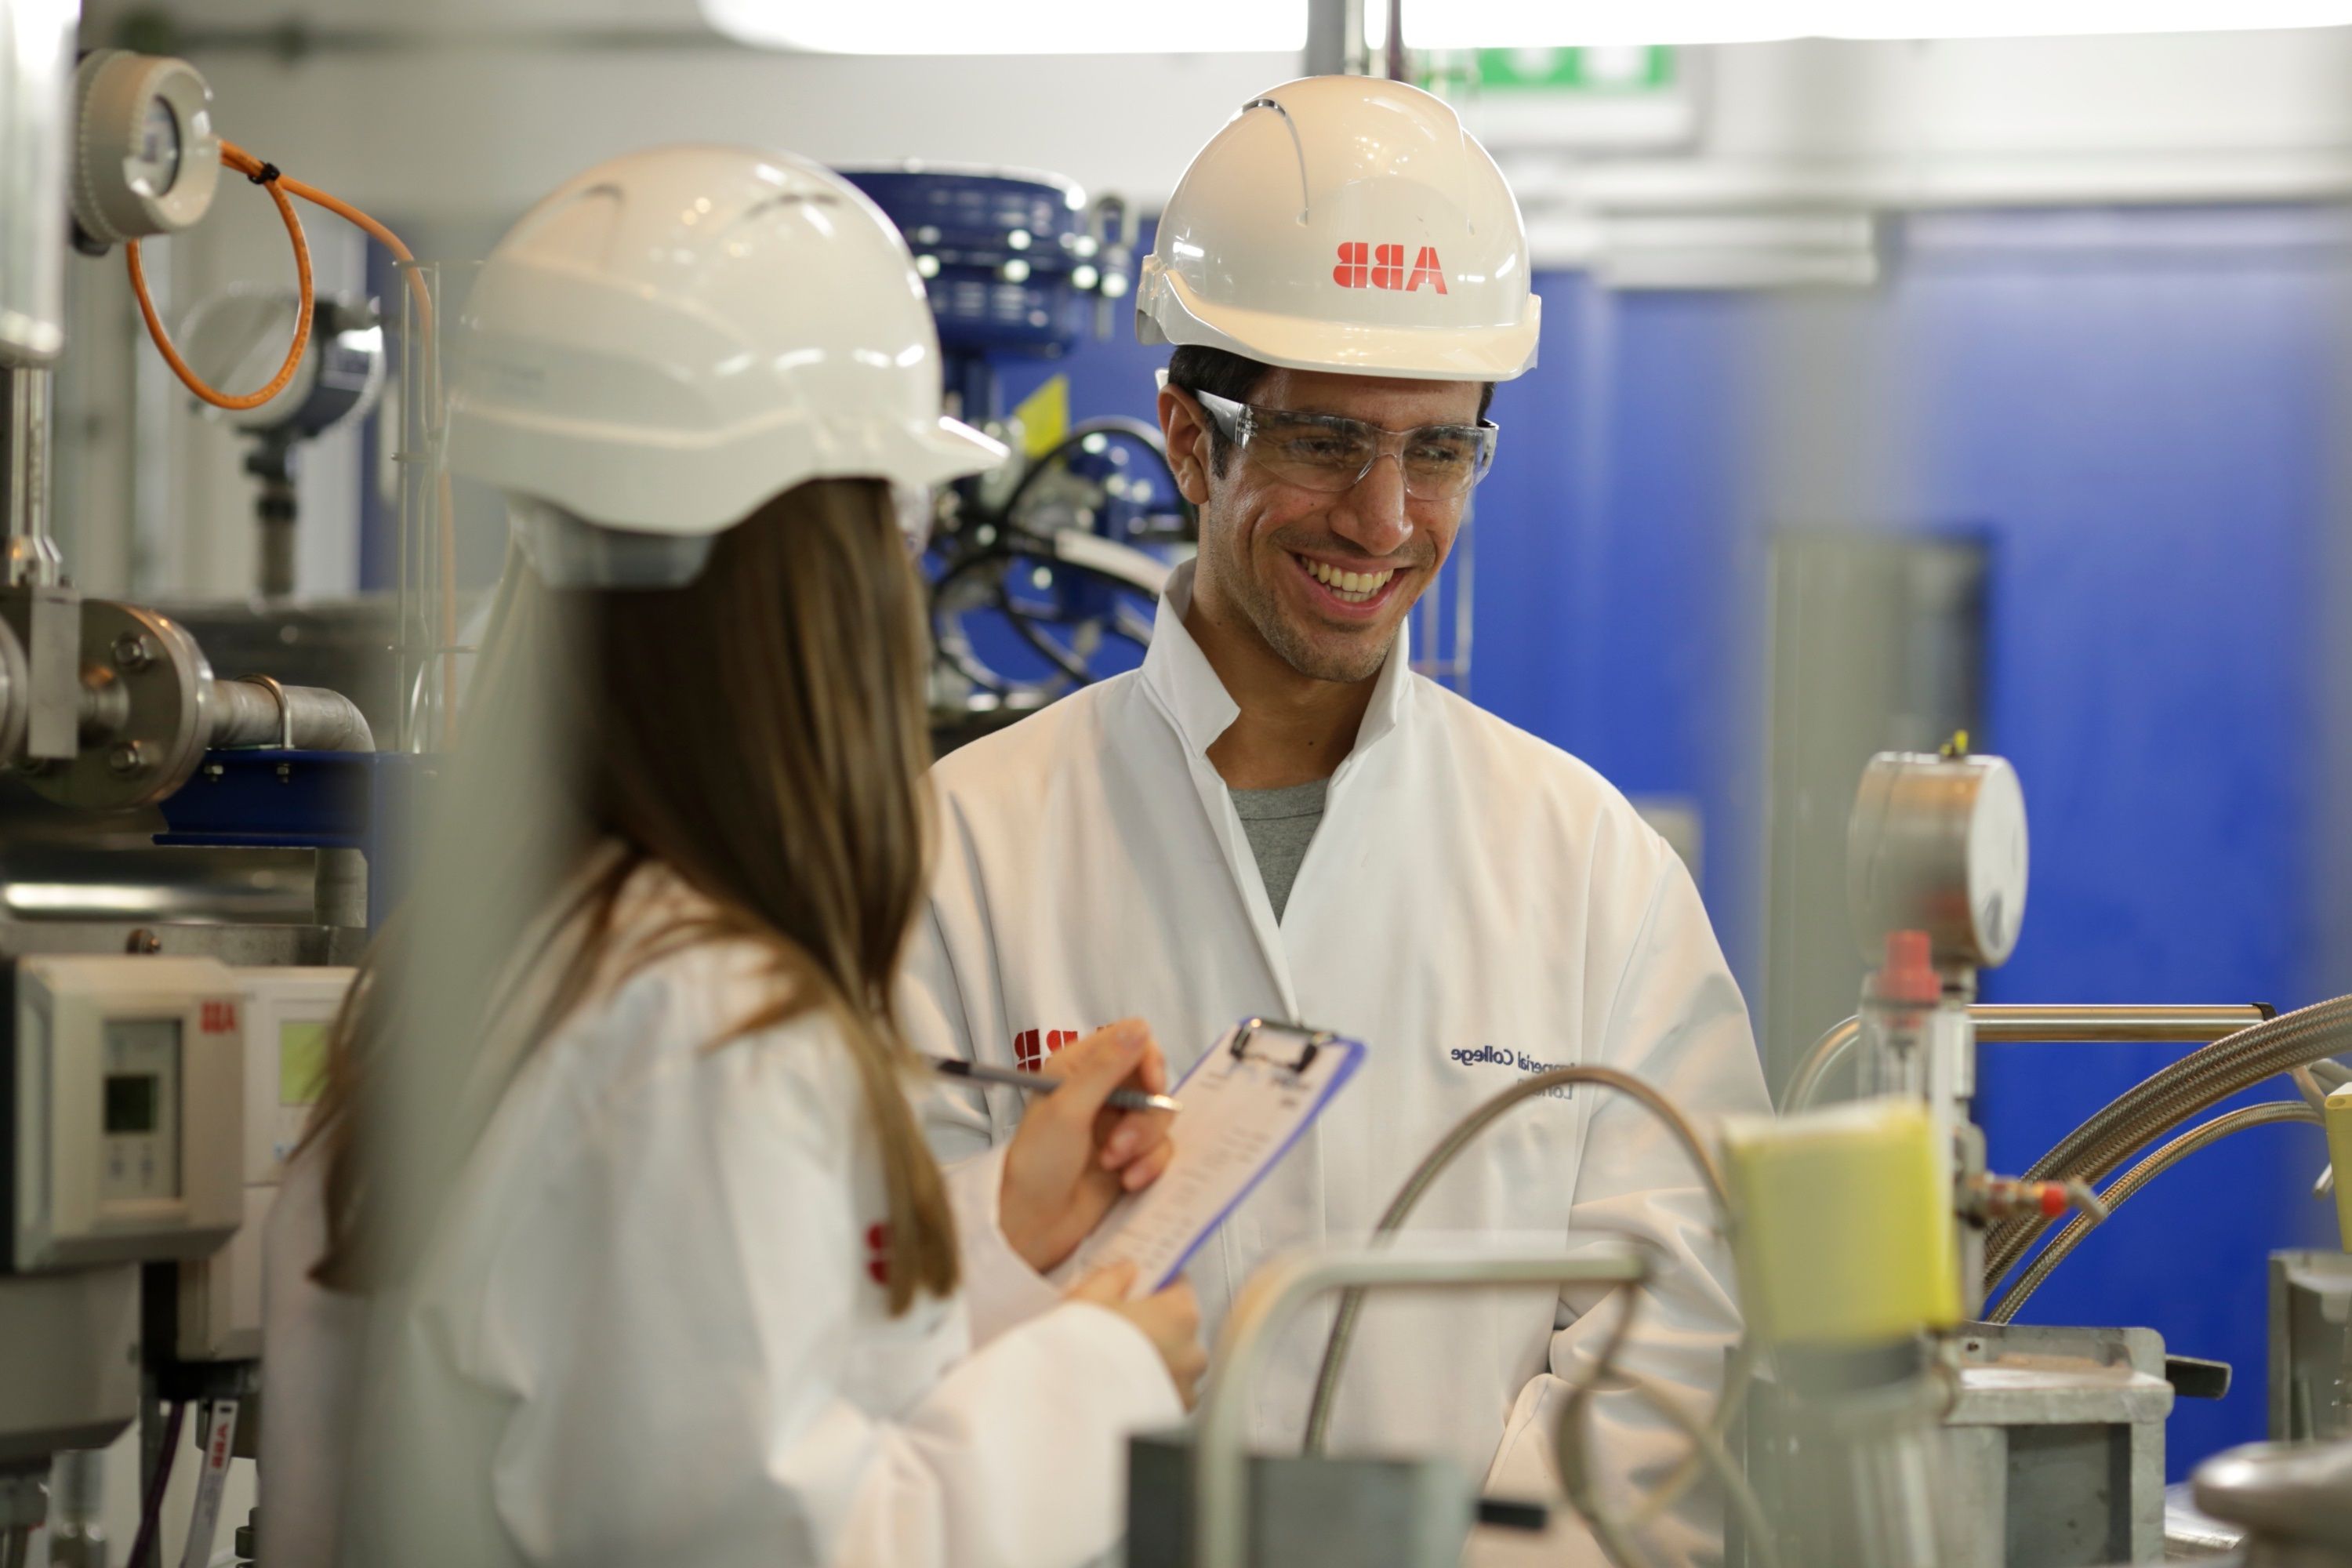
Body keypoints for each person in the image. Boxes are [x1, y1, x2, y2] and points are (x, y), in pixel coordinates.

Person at [260, 145, 1204, 1568]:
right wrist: (1100, 1375)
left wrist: (999, 1232)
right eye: (904, 534)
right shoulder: (701, 1024)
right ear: (827, 570)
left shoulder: (510, 951)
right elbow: (778, 1536)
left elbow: (694, 1380)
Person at [902, 77, 1770, 1564]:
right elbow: (895, 1319)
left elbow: (1679, 1327)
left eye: (1438, 451)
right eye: (1322, 444)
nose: (1382, 521)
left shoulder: (1591, 869)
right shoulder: (958, 851)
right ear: (1189, 439)